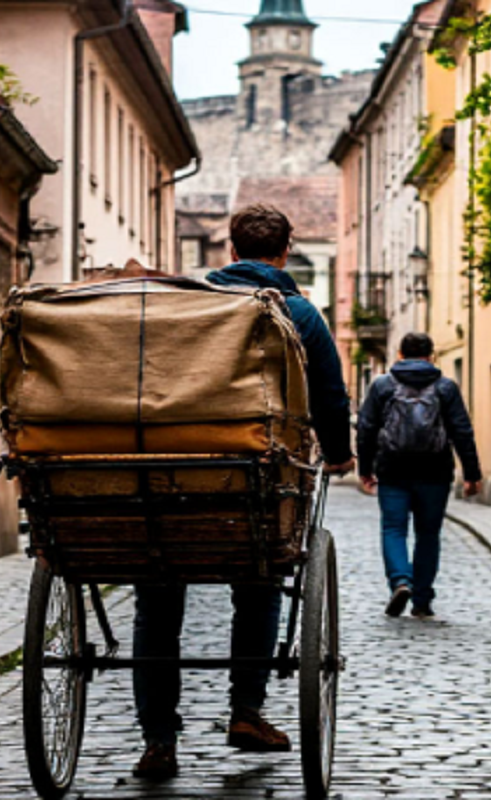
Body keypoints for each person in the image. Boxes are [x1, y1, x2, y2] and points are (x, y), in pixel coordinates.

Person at [132, 204, 355, 780]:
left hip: (169, 475)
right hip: (252, 478)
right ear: (285, 252)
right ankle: (246, 710)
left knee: (158, 597)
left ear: (230, 252)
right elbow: (329, 395)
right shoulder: (300, 313)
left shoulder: (189, 304)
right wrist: (338, 452)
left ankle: (158, 739)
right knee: (258, 577)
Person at [356, 332, 482, 619]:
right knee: (428, 534)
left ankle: (401, 581)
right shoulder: (445, 387)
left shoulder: (383, 386)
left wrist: (365, 468)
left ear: (400, 354)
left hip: (393, 469)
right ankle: (422, 600)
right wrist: (472, 474)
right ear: (432, 355)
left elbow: (366, 429)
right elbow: (462, 431)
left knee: (394, 529)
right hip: (435, 471)